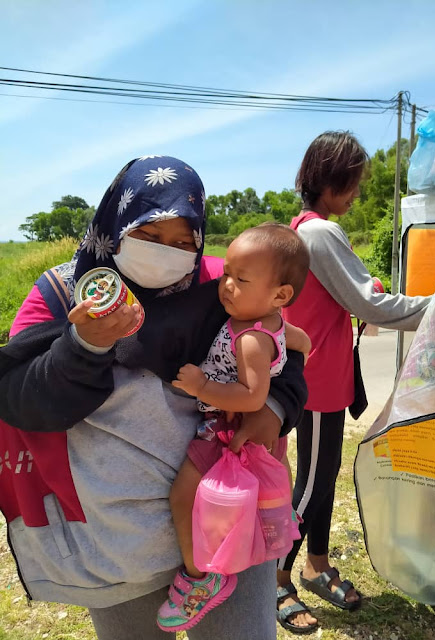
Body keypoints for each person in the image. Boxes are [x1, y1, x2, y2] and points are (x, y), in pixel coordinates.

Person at [0, 156, 307, 640]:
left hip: (228, 523)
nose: (170, 252)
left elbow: (282, 348)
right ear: (116, 223)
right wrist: (85, 347)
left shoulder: (220, 284)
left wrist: (275, 407)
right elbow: (22, 400)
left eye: (185, 241)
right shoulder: (63, 295)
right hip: (118, 548)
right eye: (151, 235)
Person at [276, 131, 432, 634]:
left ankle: (316, 565)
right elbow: (369, 304)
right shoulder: (320, 233)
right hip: (318, 380)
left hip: (325, 377)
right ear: (330, 180)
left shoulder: (308, 229)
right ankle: (277, 576)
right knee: (313, 484)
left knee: (323, 478)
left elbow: (347, 296)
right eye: (354, 184)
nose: (358, 194)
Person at [157, 223, 311, 632]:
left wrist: (202, 385)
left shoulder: (250, 339)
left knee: (182, 496)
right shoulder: (270, 319)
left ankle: (199, 577)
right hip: (229, 425)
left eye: (240, 280)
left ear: (280, 294)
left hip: (226, 427)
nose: (225, 285)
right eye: (226, 273)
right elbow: (302, 342)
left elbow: (252, 398)